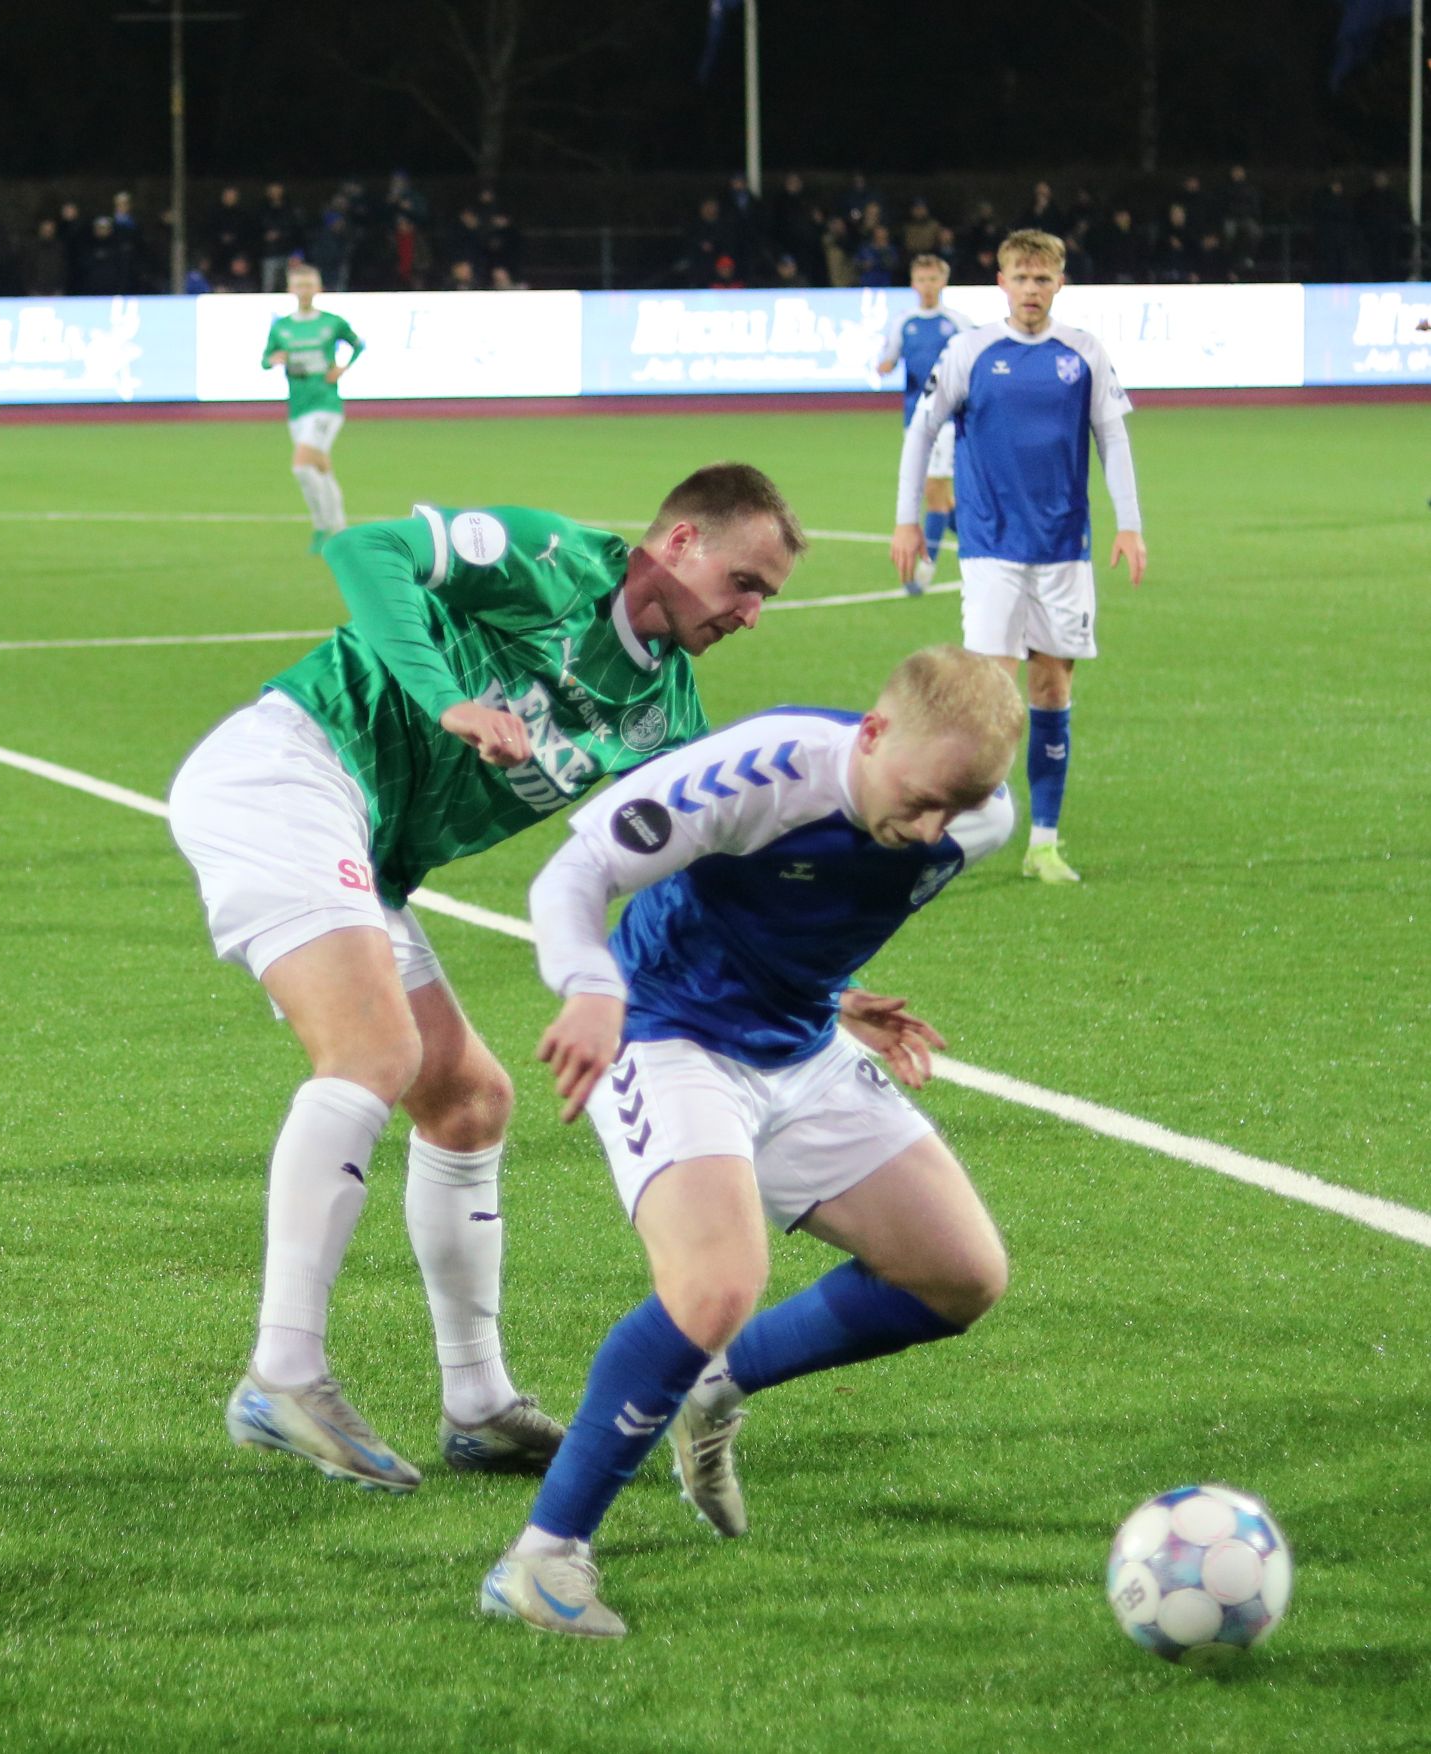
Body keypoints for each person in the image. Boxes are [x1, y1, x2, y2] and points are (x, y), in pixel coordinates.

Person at [168, 466, 807, 1496]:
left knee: (468, 1102)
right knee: (373, 1051)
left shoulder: (666, 712)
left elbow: (709, 869)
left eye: (765, 596)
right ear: (680, 542)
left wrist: (826, 979)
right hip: (291, 766)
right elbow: (362, 550)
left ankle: (478, 1404)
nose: (750, 613)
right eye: (745, 582)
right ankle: (281, 1371)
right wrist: (448, 698)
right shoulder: (552, 559)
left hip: (366, 848)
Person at [480, 646, 1021, 1639]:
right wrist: (592, 987)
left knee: (960, 1274)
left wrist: (840, 998)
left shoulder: (977, 822)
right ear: (871, 733)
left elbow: (817, 910)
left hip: (802, 1046)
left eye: (966, 800)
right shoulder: (759, 770)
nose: (939, 824)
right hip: (664, 1032)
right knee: (716, 1282)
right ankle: (543, 1555)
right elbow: (576, 870)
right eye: (927, 795)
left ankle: (717, 1383)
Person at [892, 229, 1143, 885]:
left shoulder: (1082, 353)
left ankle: (1043, 842)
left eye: (1042, 278)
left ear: (1059, 284)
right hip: (989, 548)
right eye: (1020, 277)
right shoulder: (970, 349)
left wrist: (1129, 525)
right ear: (999, 282)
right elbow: (920, 431)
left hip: (1064, 550)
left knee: (1052, 690)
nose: (1031, 289)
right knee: (985, 695)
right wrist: (906, 522)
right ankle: (940, 834)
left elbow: (1112, 440)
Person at [872, 253, 973, 590]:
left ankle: (924, 571)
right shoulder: (905, 322)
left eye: (934, 279)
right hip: (915, 419)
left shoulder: (957, 322)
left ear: (943, 282)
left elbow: (977, 360)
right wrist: (884, 365)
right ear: (913, 283)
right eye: (922, 279)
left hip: (948, 419)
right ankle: (987, 537)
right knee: (943, 498)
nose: (928, 286)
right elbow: (889, 357)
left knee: (934, 493)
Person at [260, 262, 364, 553]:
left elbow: (359, 344)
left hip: (325, 404)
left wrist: (344, 367)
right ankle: (339, 528)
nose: (304, 290)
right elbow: (265, 359)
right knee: (320, 467)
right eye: (299, 285)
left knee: (301, 466)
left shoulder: (332, 322)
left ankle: (321, 526)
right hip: (298, 407)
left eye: (309, 285)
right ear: (291, 289)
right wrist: (274, 359)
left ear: (318, 288)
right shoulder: (282, 327)